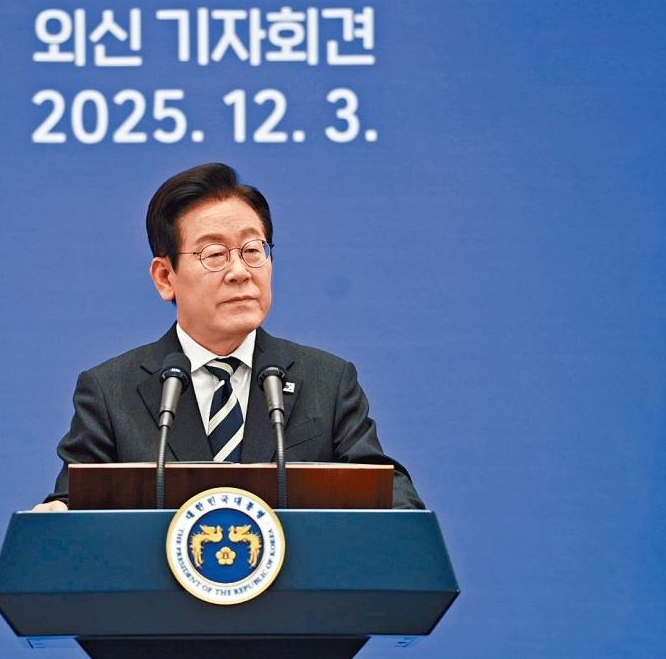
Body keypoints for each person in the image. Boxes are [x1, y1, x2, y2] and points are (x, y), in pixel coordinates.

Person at [33, 163, 424, 511]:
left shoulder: (327, 381)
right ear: (165, 277)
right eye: (215, 254)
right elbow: (73, 504)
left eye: (253, 250)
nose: (240, 271)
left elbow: (389, 497)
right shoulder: (110, 391)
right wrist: (57, 513)